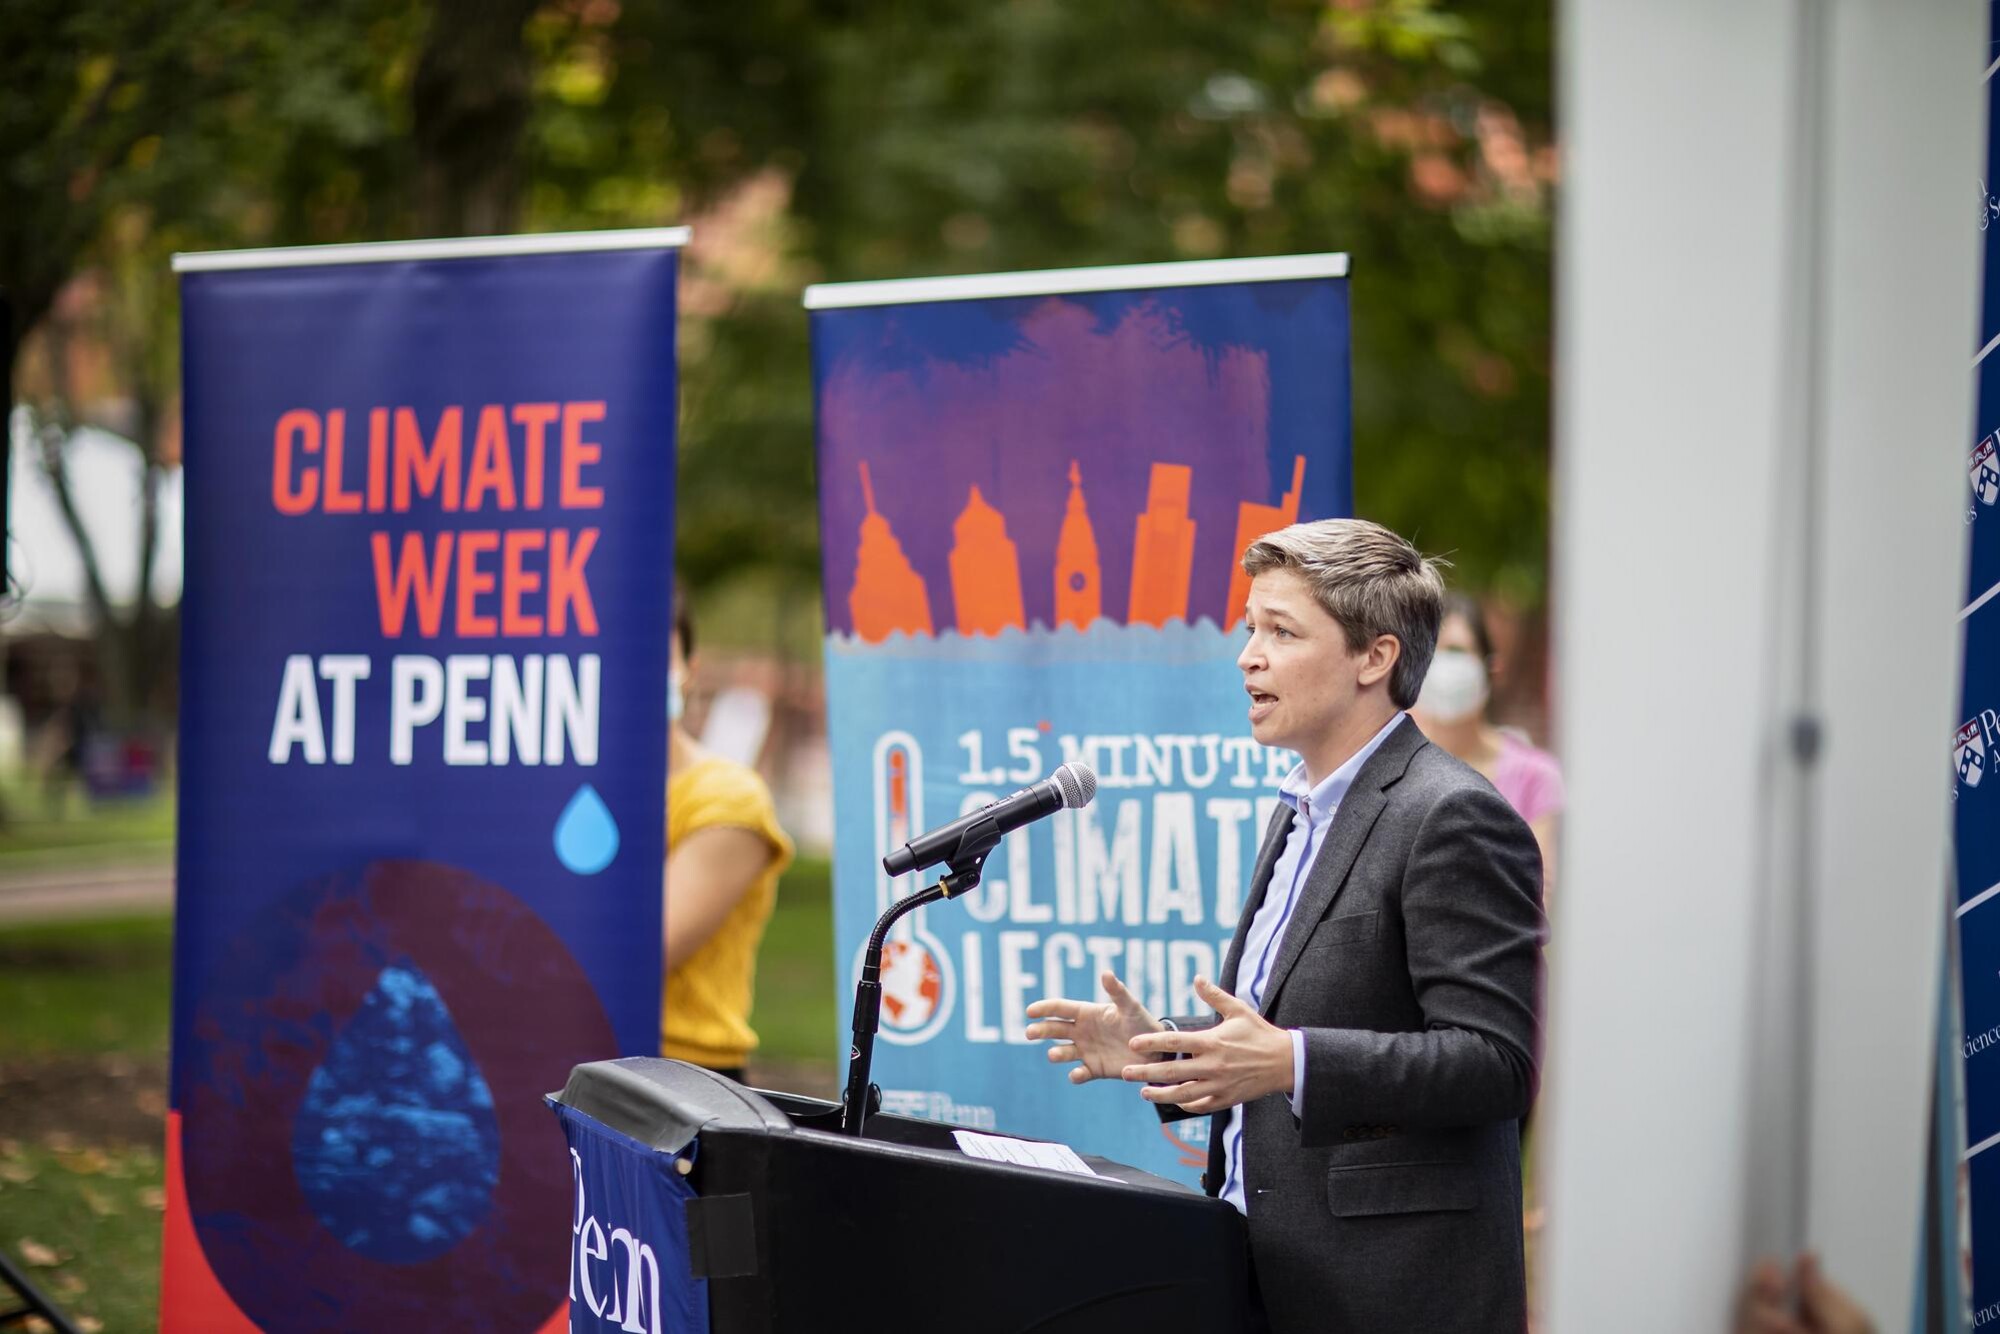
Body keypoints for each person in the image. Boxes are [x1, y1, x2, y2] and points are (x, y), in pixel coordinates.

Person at [1025, 519, 1545, 1334]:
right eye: (1249, 628)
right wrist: (1162, 1046)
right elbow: (1287, 1029)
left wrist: (1291, 1063)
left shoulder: (1452, 815)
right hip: (1259, 1267)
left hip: (1389, 1294)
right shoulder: (1298, 810)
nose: (1247, 655)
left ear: (1374, 658)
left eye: (1281, 631)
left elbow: (1495, 1063)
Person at [661, 592, 794, 1083]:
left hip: (683, 1078)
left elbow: (646, 949)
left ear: (688, 670)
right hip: (560, 1056)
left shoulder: (728, 799)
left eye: (655, 656)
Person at [1411, 592, 1564, 891]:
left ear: (1490, 669)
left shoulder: (1535, 775)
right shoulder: (1390, 765)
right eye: (1430, 652)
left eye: (1455, 651)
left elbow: (1537, 893)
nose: (1441, 667)